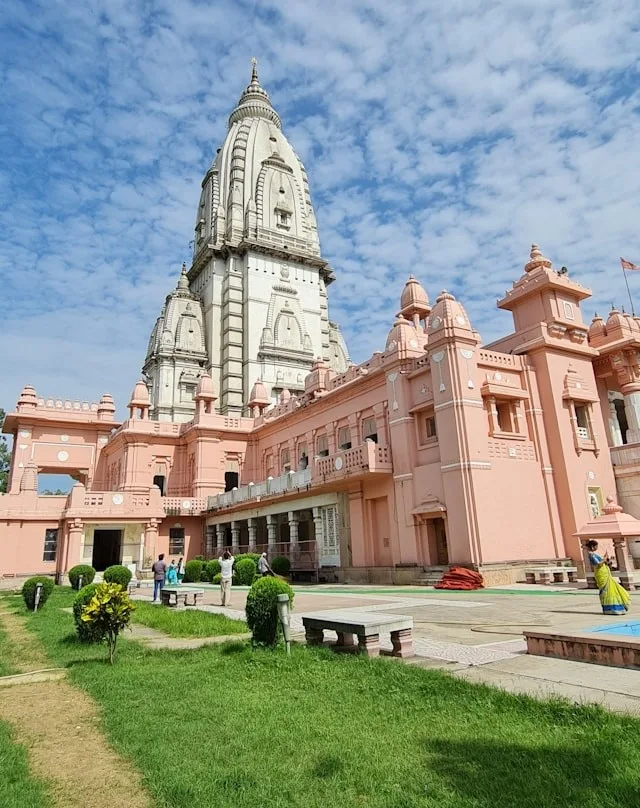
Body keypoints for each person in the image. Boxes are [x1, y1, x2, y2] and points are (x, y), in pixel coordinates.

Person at [586, 540, 630, 615]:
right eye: (596, 546)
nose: (597, 548)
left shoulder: (595, 554)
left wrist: (607, 560)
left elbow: (603, 563)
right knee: (606, 591)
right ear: (592, 547)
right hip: (601, 575)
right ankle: (609, 609)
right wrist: (604, 558)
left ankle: (617, 608)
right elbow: (598, 564)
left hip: (605, 573)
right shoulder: (591, 555)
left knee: (613, 589)